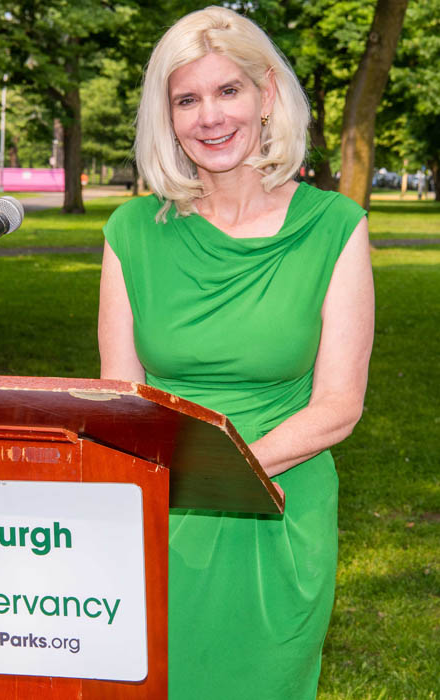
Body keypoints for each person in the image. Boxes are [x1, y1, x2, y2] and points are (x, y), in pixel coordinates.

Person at [98, 6, 374, 699]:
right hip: (158, 514)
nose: (209, 116)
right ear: (167, 117)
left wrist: (220, 468)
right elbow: (119, 398)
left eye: (228, 91)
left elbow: (339, 407)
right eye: (186, 98)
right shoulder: (130, 231)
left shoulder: (335, 227)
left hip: (278, 510)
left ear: (267, 97)